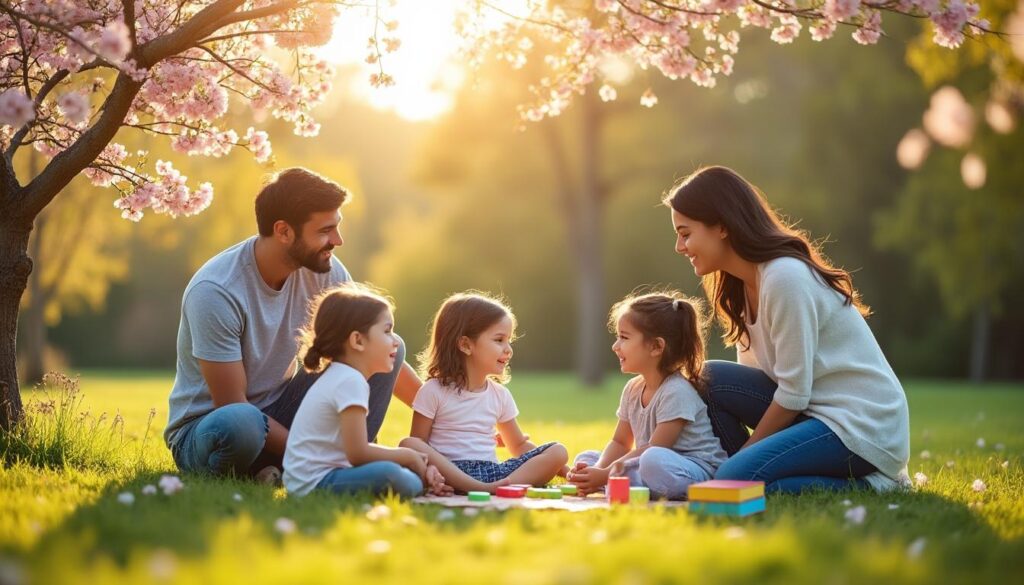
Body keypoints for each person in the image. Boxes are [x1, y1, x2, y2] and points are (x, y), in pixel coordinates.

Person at [164, 168, 422, 481]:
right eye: (326, 230)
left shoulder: (324, 271)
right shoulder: (216, 290)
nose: (337, 240)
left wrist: (444, 410)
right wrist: (313, 452)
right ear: (284, 231)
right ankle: (320, 465)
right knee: (243, 421)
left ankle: (343, 461)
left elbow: (372, 345)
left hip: (282, 409)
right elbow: (231, 402)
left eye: (337, 228)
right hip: (213, 428)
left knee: (388, 344)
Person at [664, 165, 910, 493]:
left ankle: (873, 485)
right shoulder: (738, 288)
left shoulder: (784, 277)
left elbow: (793, 394)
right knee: (706, 379)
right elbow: (760, 383)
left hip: (858, 426)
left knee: (735, 477)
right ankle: (735, 473)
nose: (680, 246)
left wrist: (749, 455)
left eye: (685, 233)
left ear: (721, 227)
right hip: (812, 414)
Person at [283, 284, 449, 498]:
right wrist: (409, 456)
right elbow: (359, 453)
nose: (395, 342)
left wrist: (413, 461)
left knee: (400, 470)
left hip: (318, 478)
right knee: (396, 477)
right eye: (387, 331)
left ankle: (420, 476)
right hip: (316, 483)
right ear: (357, 340)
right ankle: (421, 480)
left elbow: (354, 450)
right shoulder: (349, 381)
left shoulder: (343, 376)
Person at [399, 292, 568, 493]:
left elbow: (519, 445)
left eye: (509, 340)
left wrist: (565, 470)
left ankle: (501, 487)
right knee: (409, 443)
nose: (509, 349)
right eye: (499, 340)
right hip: (449, 471)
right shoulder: (433, 391)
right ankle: (483, 488)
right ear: (465, 345)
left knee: (559, 451)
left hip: (493, 473)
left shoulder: (500, 395)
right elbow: (420, 445)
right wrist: (431, 471)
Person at [568, 292, 727, 499]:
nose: (615, 346)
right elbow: (619, 443)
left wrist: (605, 474)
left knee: (653, 461)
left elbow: (656, 447)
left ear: (656, 347)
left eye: (624, 337)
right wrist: (597, 470)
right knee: (587, 457)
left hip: (694, 470)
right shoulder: (632, 389)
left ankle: (616, 482)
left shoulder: (676, 391)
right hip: (646, 462)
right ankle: (619, 481)